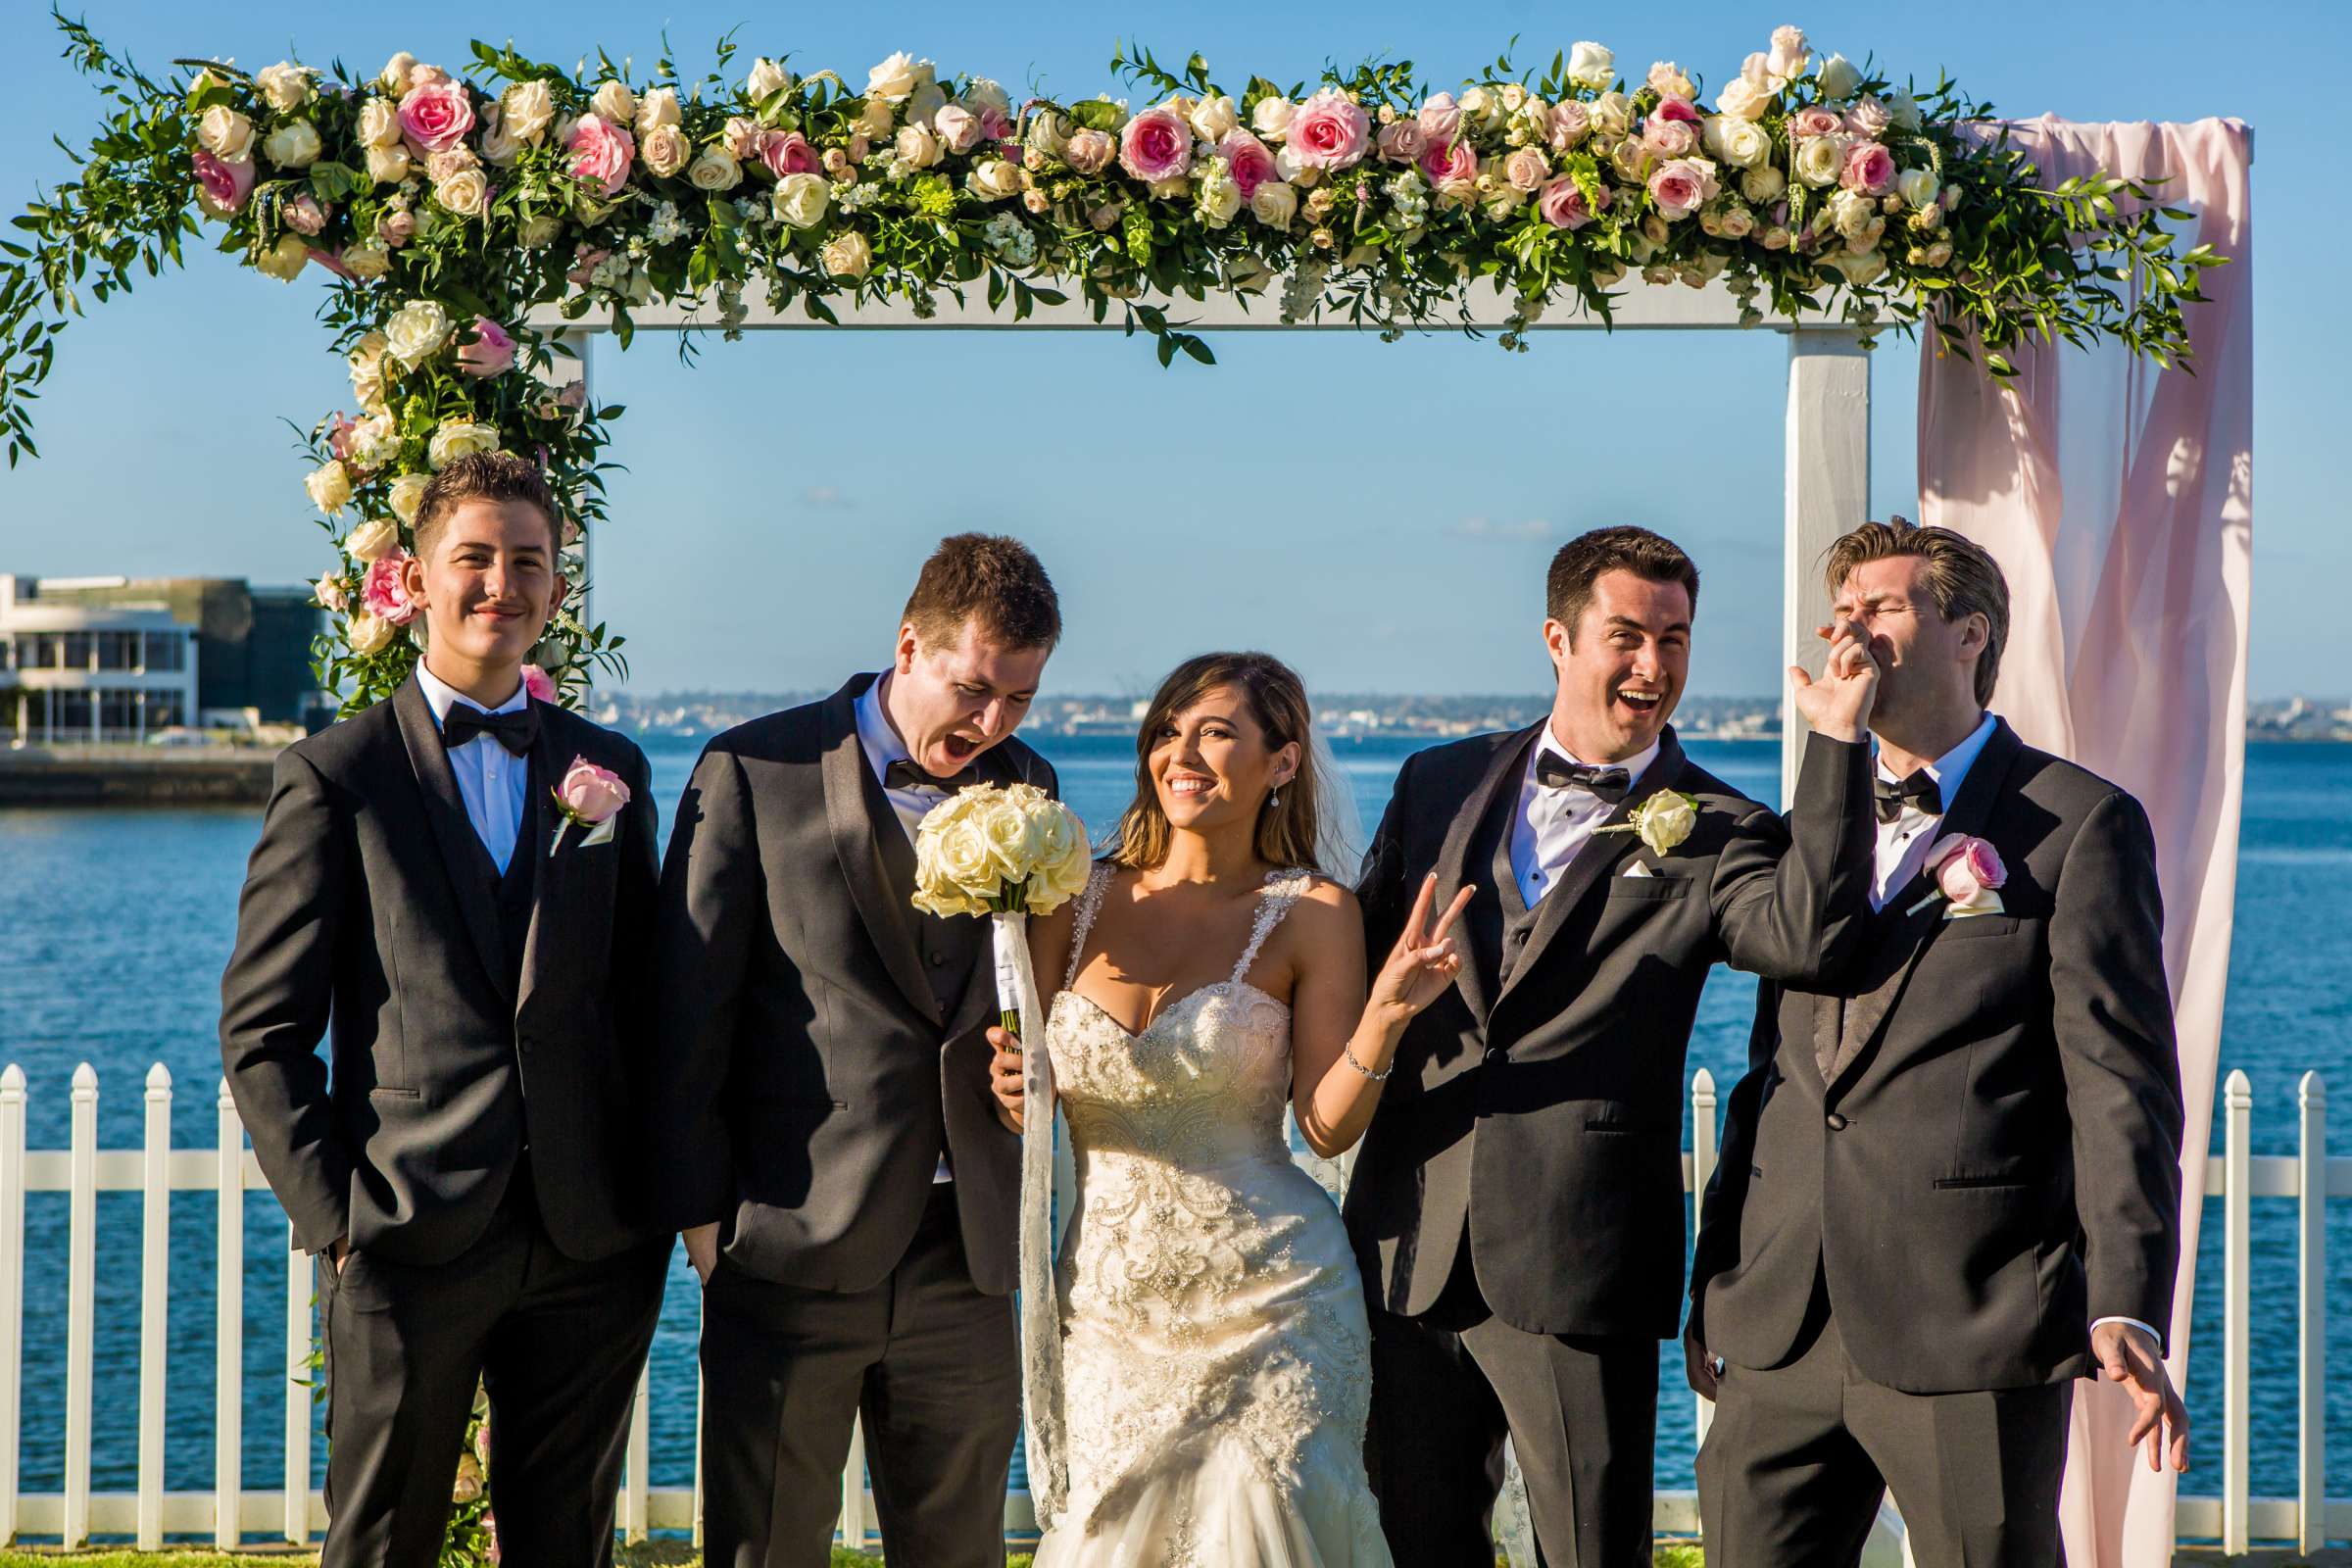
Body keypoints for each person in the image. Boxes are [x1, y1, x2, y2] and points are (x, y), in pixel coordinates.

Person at [1345, 524, 1883, 1565]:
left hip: (1576, 1251)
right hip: (1407, 1240)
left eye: (1675, 639)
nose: (1654, 665)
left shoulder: (1722, 825)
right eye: (1626, 635)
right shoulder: (1436, 781)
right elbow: (1355, 963)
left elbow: (1813, 939)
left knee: (1591, 1550)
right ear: (1558, 637)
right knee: (1413, 1541)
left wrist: (1835, 748)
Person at [1687, 519, 2188, 1566]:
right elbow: (1774, 1069)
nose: (1854, 630)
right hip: (1782, 1318)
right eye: (1846, 610)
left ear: (1971, 632)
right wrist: (1718, 1275)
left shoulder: (2077, 823)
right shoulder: (1808, 821)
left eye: (1885, 607)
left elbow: (2118, 1083)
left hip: (1972, 1314)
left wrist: (2126, 1304)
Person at [219, 452, 668, 1568]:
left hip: (587, 1239)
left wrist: (647, 1193)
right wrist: (342, 1223)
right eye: (473, 558)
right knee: (381, 1542)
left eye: (529, 562)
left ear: (558, 591)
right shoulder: (336, 776)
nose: (500, 585)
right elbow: (264, 1033)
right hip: (406, 1234)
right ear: (413, 581)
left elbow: (650, 996)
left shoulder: (608, 770)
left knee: (567, 1543)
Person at [990, 651, 1470, 1567]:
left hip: (1276, 1300)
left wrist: (1387, 1015)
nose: (1183, 753)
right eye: (1169, 730)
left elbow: (1326, 1127)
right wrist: (1010, 1088)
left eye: (1216, 733)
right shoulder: (1069, 900)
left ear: (1282, 763)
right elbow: (1027, 1098)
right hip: (1109, 1304)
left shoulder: (1312, 911)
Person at [651, 534, 1061, 1568]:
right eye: (974, 690)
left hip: (966, 1254)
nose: (993, 724)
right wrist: (706, 1226)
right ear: (909, 645)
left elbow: (1019, 993)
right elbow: (683, 1015)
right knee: (768, 1547)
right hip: (791, 1241)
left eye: (1019, 699)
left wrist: (1026, 1071)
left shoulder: (1030, 784)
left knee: (957, 1550)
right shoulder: (755, 768)